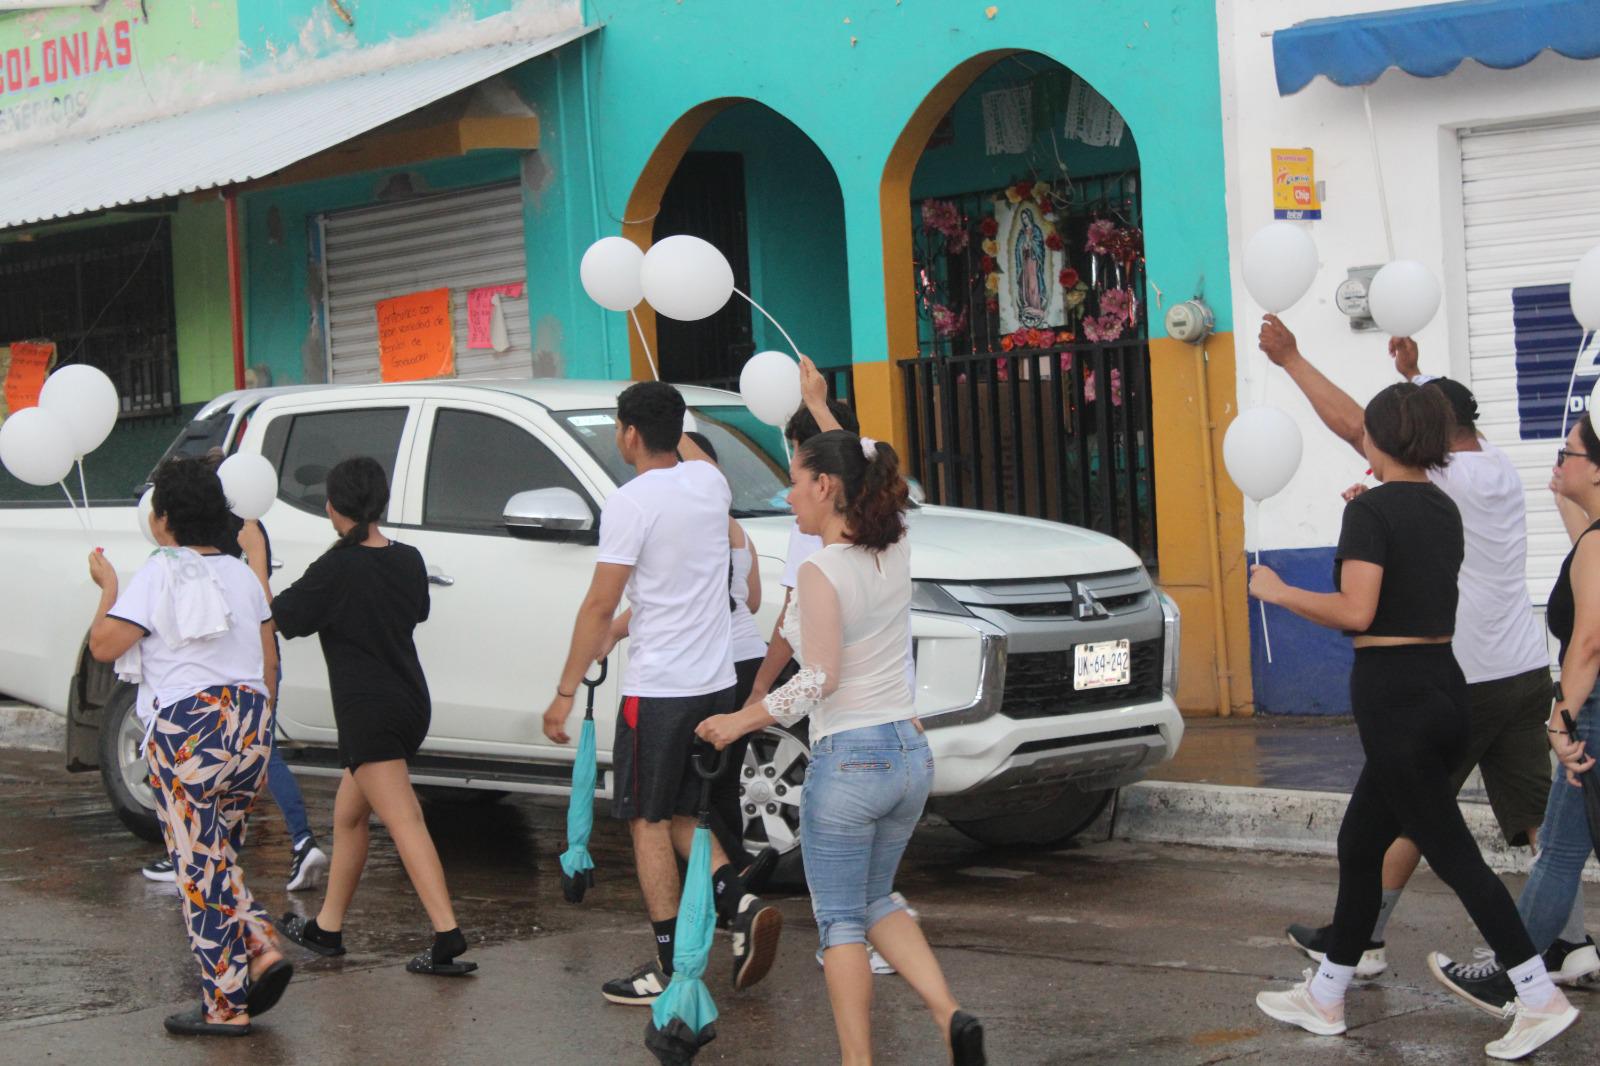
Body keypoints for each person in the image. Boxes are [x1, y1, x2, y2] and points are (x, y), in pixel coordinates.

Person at [1249, 383, 1577, 1060]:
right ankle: (1327, 992)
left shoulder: (1372, 512)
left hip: (1395, 695)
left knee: (1456, 856)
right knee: (1359, 843)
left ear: (1379, 440)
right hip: (1444, 685)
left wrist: (1278, 592)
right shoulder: (1439, 506)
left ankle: (1538, 997)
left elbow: (1356, 611)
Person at [696, 430, 985, 1066]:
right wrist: (825, 411)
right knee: (877, 899)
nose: (788, 493)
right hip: (909, 755)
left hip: (852, 759)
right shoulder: (897, 545)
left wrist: (740, 721)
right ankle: (950, 1015)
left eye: (796, 480)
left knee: (841, 923)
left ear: (825, 487)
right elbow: (865, 454)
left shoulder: (821, 568)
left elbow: (820, 676)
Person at [543, 381, 782, 1006]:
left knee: (646, 821)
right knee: (683, 815)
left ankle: (671, 966)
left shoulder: (630, 502)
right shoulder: (710, 487)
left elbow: (600, 602)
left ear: (627, 433)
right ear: (676, 429)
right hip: (715, 685)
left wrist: (565, 691)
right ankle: (740, 899)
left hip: (658, 692)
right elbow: (693, 457)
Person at [87, 457, 291, 1036]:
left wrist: (108, 589)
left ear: (165, 519)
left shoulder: (162, 570)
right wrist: (262, 723)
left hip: (189, 730)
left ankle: (226, 1006)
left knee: (197, 870)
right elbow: (268, 659)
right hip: (250, 724)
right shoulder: (242, 574)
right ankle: (260, 946)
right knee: (217, 856)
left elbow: (105, 645)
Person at [270, 457, 474, 977]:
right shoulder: (407, 558)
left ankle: (447, 934)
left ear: (330, 507)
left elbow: (281, 617)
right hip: (408, 703)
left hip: (368, 713)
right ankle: (327, 928)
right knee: (349, 816)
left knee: (404, 819)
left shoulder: (336, 568)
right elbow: (418, 611)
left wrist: (254, 558)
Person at [1426, 416, 1600, 1012]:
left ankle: (1514, 970)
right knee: (1562, 846)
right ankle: (1519, 968)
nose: (1558, 461)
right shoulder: (1594, 537)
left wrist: (1561, 721)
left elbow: (1589, 643)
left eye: (1568, 452)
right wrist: (1563, 487)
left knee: (1560, 847)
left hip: (1592, 711)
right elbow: (1582, 529)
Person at [142, 507, 328, 893]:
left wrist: (257, 556)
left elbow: (262, 612)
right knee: (248, 759)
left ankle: (297, 840)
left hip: (237, 671)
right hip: (249, 668)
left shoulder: (234, 539)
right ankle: (206, 855)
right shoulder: (245, 529)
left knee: (238, 761)